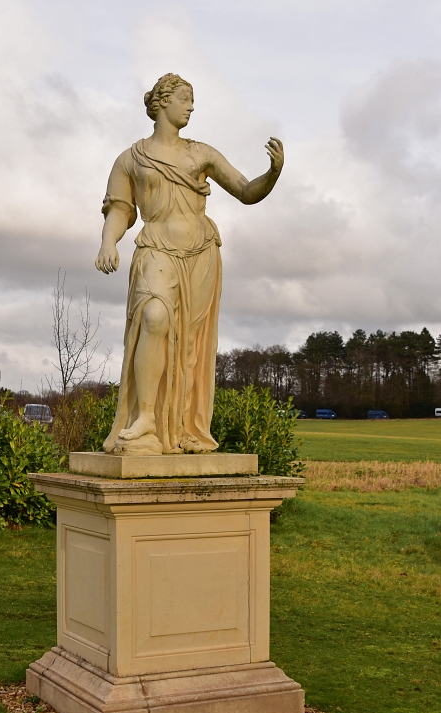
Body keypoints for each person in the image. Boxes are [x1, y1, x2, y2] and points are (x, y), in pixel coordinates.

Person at [96, 73, 284, 455]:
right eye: (185, 98)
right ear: (163, 102)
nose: (192, 106)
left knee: (190, 346)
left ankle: (183, 427)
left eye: (192, 100)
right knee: (154, 318)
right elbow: (119, 208)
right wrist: (107, 242)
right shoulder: (130, 159)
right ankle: (145, 418)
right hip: (156, 248)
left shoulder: (202, 154)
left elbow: (246, 191)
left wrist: (273, 174)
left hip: (201, 252)